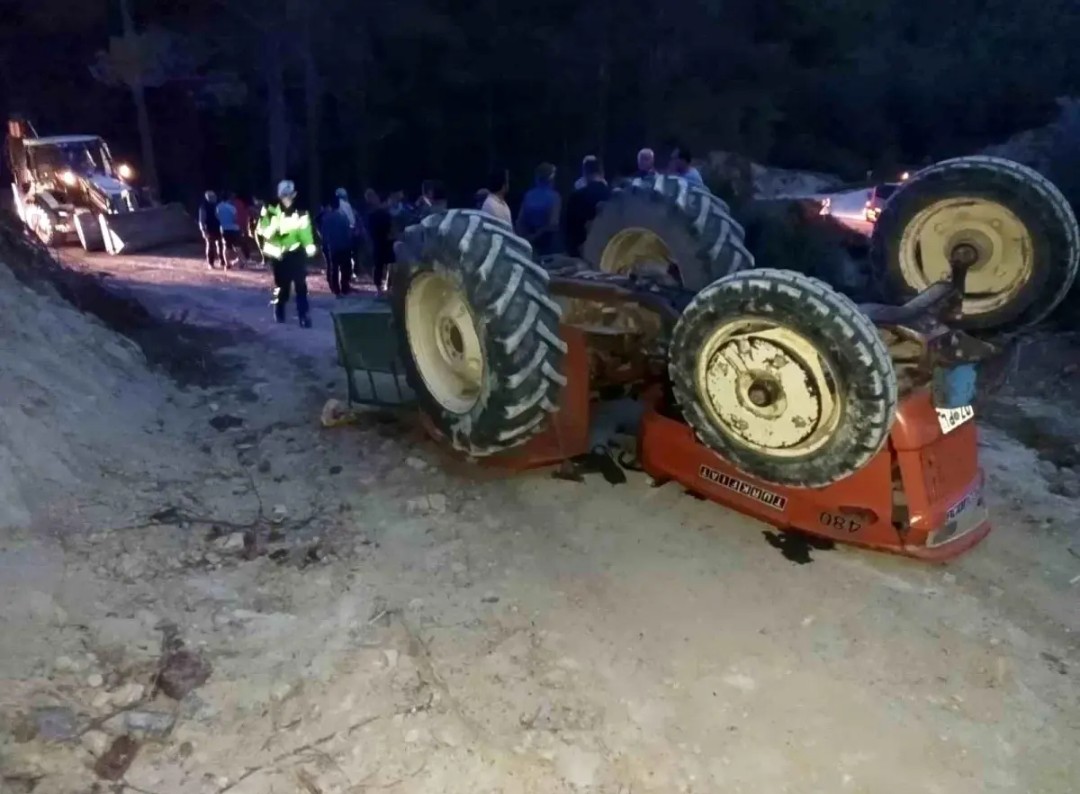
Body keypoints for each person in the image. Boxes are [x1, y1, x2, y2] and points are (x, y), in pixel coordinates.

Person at [256, 179, 317, 328]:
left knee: (301, 285)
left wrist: (309, 245)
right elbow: (261, 229)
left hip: (296, 252)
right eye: (284, 194)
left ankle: (303, 315)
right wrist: (272, 228)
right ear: (279, 195)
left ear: (294, 195)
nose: (287, 197)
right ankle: (279, 309)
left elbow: (305, 231)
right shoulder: (270, 210)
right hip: (279, 254)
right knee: (282, 286)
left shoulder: (300, 212)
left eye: (289, 194)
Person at [564, 155, 610, 257]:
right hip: (608, 253)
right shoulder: (613, 195)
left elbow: (569, 230)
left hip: (583, 254)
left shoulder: (576, 197)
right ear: (602, 172)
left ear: (584, 172)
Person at [517, 162, 561, 257]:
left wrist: (525, 238)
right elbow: (553, 224)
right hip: (547, 246)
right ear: (551, 179)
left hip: (528, 242)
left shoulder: (529, 195)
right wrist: (537, 235)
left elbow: (520, 221)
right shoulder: (554, 197)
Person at [320, 197, 354, 297]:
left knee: (334, 268)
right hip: (345, 245)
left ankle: (336, 289)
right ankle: (345, 287)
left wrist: (325, 244)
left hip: (333, 246)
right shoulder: (343, 217)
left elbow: (325, 234)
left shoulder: (327, 218)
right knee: (345, 268)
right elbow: (348, 231)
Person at [364, 189, 395, 295]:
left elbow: (390, 224)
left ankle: (388, 285)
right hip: (377, 241)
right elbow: (368, 228)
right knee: (378, 265)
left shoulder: (383, 211)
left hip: (386, 240)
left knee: (390, 264)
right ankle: (379, 288)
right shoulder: (370, 212)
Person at [216, 191, 242, 269]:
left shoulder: (218, 207)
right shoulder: (232, 208)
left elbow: (217, 217)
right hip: (234, 229)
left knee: (226, 246)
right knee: (237, 246)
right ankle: (240, 262)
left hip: (224, 229)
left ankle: (227, 263)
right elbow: (235, 219)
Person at [197, 190, 222, 270]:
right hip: (209, 228)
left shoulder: (217, 205)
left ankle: (222, 261)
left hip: (218, 227)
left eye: (214, 196)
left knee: (220, 245)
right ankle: (211, 263)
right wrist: (203, 230)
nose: (214, 198)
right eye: (211, 197)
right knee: (210, 246)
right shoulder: (203, 207)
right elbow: (201, 220)